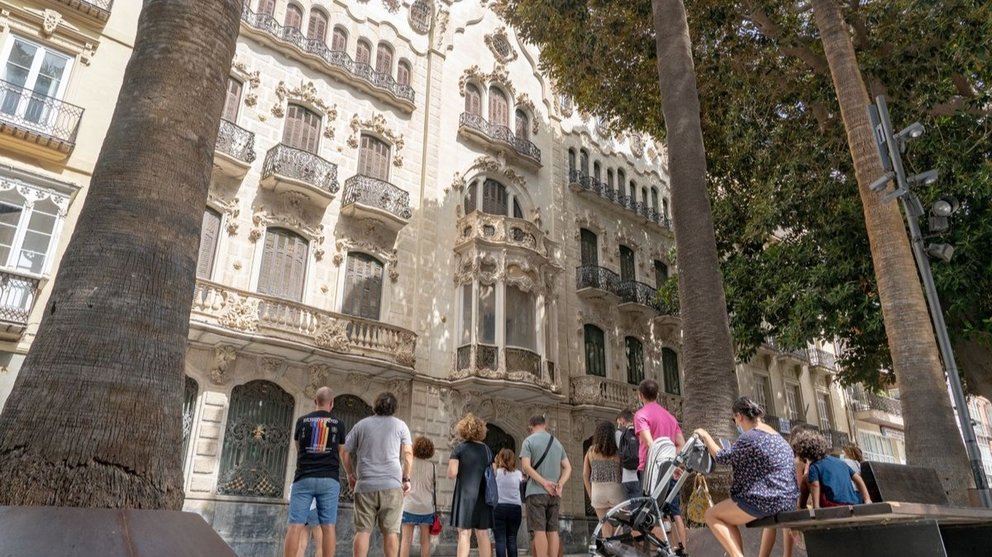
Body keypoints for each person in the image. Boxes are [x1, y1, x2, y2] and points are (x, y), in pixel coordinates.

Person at [693, 397, 799, 557]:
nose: (736, 424)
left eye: (734, 419)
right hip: (788, 501)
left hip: (767, 500)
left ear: (739, 416)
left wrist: (705, 435)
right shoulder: (777, 437)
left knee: (711, 514)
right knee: (728, 517)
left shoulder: (750, 437)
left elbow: (722, 457)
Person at [342, 392, 413, 557]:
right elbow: (408, 454)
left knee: (363, 531)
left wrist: (350, 474)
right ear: (394, 408)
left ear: (375, 405)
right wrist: (406, 479)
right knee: (391, 532)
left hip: (365, 484)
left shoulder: (361, 425)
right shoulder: (401, 426)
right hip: (392, 485)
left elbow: (344, 451)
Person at [284, 387, 345, 557]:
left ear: (315, 402)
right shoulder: (338, 423)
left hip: (304, 477)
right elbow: (341, 451)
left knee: (295, 525)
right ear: (331, 403)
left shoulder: (302, 421)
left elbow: (298, 447)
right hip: (329, 479)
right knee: (328, 527)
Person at [634, 379, 687, 553]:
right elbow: (681, 444)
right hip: (671, 469)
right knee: (675, 511)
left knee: (651, 512)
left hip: (651, 471)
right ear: (657, 395)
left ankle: (664, 550)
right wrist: (675, 463)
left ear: (640, 395)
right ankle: (683, 550)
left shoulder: (641, 415)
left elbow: (650, 444)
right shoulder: (670, 417)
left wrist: (660, 459)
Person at [520, 415, 571, 557]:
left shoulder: (528, 441)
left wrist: (543, 482)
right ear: (545, 425)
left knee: (539, 530)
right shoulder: (557, 443)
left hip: (535, 492)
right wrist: (560, 483)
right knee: (553, 530)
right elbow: (568, 468)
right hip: (554, 492)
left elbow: (525, 466)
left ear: (531, 426)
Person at [448, 413, 495, 557]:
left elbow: (452, 474)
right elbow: (494, 474)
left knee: (464, 533)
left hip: (465, 496)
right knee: (483, 533)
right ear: (481, 431)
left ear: (463, 430)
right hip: (483, 495)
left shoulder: (459, 449)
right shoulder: (487, 450)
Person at [793, 430, 871, 508]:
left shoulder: (814, 467)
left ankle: (802, 507)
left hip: (833, 504)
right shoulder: (840, 462)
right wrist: (867, 499)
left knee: (806, 478)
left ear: (803, 453)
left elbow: (815, 485)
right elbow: (858, 479)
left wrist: (816, 507)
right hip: (853, 502)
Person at [584, 421, 625, 536]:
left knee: (605, 526)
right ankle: (618, 550)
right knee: (618, 527)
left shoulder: (591, 451)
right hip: (616, 492)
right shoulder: (617, 452)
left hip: (598, 493)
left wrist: (590, 494)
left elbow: (585, 475)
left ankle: (607, 552)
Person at [401, 437, 437, 557]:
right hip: (426, 507)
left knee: (406, 540)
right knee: (425, 541)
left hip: (409, 506)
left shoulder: (407, 463)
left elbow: (400, 484)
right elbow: (434, 486)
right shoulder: (432, 467)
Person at [493, 448, 524, 557]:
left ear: (500, 458)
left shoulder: (496, 472)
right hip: (515, 508)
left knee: (500, 540)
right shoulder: (519, 474)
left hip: (499, 507)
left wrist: (495, 463)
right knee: (512, 539)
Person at [615, 410, 641, 501]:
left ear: (622, 420)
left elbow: (620, 450)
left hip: (627, 477)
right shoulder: (640, 431)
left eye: (618, 423)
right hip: (641, 475)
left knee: (631, 509)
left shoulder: (620, 432)